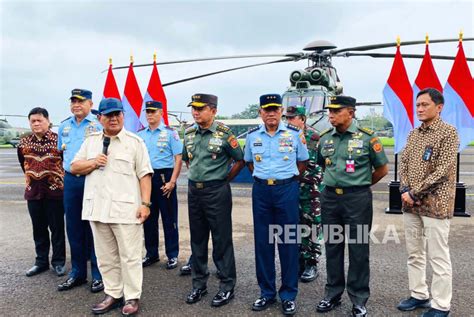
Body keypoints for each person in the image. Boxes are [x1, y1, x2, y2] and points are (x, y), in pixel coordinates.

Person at [70, 98, 153, 316]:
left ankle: (132, 297)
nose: (114, 118)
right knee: (105, 257)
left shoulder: (135, 142)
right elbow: (74, 166)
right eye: (108, 115)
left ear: (123, 116)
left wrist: (145, 204)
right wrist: (93, 162)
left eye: (117, 114)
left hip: (126, 210)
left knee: (130, 256)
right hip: (97, 209)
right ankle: (113, 294)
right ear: (100, 118)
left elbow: (145, 175)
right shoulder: (91, 142)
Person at [315, 95, 388, 317]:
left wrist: (360, 185)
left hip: (357, 199)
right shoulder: (325, 138)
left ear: (351, 112)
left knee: (358, 249)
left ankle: (358, 298)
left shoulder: (367, 138)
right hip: (330, 199)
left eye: (336, 111)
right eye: (330, 111)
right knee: (333, 246)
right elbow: (322, 165)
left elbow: (382, 169)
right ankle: (333, 294)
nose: (331, 115)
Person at [244, 94, 309, 315]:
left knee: (288, 242)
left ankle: (288, 295)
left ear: (281, 111)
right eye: (266, 110)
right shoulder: (252, 137)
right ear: (260, 112)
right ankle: (267, 293)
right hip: (261, 191)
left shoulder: (294, 135)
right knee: (263, 243)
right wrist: (266, 179)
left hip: (287, 190)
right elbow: (249, 163)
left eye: (274, 109)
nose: (270, 113)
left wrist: (285, 181)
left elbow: (303, 162)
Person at [397, 88, 458, 317]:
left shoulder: (448, 133)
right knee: (415, 253)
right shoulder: (413, 134)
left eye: (425, 105)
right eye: (418, 105)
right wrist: (404, 188)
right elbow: (403, 162)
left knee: (438, 256)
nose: (420, 109)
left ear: (439, 107)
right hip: (410, 204)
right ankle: (419, 294)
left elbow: (443, 170)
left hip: (435, 204)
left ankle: (441, 305)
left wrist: (414, 192)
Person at [182, 93, 244, 307]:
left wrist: (223, 179)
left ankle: (227, 286)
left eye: (200, 108)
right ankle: (199, 285)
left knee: (221, 241)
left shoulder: (224, 134)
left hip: (217, 192)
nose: (195, 112)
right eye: (194, 108)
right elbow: (188, 160)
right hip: (194, 192)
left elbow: (240, 159)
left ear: (214, 111)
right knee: (197, 240)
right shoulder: (189, 133)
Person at [57, 89, 103, 293]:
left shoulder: (98, 124)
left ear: (90, 103)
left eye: (80, 101)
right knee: (73, 227)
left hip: (92, 178)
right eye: (73, 101)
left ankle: (99, 274)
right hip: (71, 181)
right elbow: (62, 155)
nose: (76, 104)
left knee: (94, 227)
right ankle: (77, 272)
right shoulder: (64, 126)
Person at [17, 107, 66, 277]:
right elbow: (23, 163)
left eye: (40, 120)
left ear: (47, 121)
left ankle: (59, 262)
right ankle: (41, 262)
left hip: (55, 192)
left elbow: (66, 163)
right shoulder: (24, 143)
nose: (36, 124)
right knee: (38, 229)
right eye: (33, 121)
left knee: (57, 228)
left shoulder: (59, 141)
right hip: (33, 192)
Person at [137, 100, 182, 269]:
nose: (149, 115)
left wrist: (172, 181)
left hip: (165, 178)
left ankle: (172, 255)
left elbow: (178, 158)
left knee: (169, 218)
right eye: (147, 112)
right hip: (147, 178)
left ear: (161, 113)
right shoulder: (140, 134)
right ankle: (151, 253)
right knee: (148, 218)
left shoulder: (171, 133)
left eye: (153, 111)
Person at [285, 105, 323, 283]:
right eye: (287, 118)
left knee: (311, 226)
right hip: (291, 189)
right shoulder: (284, 135)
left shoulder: (313, 137)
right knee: (294, 225)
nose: (288, 121)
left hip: (310, 190)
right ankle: (298, 262)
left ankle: (311, 263)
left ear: (302, 119)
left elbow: (319, 164)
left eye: (292, 118)